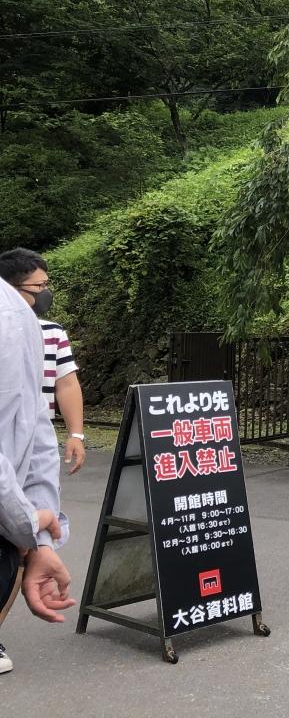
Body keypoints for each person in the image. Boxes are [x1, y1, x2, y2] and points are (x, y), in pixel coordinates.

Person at [1, 278, 75, 676]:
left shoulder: (18, 317)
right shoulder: (12, 313)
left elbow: (33, 423)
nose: (46, 291)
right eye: (39, 284)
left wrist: (37, 538)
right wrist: (29, 523)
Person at [0, 249, 87, 474]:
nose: (45, 292)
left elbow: (67, 385)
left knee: (42, 494)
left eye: (46, 284)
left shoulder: (53, 332)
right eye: (39, 286)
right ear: (9, 290)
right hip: (4, 439)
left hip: (38, 441)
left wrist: (76, 434)